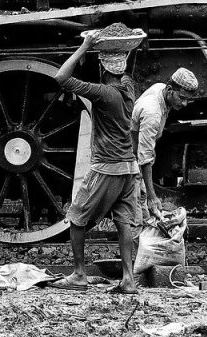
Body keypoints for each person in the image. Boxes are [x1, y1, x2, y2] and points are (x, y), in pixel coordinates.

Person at [51, 22, 145, 293]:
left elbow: (61, 78)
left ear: (102, 67)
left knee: (77, 218)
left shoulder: (104, 93)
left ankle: (79, 274)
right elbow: (126, 69)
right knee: (123, 221)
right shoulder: (129, 87)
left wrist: (85, 46)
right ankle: (128, 279)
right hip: (129, 167)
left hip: (107, 167)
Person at [132, 68, 198, 222]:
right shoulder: (152, 113)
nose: (184, 103)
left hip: (135, 158)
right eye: (181, 97)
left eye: (188, 99)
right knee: (135, 219)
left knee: (145, 218)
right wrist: (152, 196)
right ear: (170, 89)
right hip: (131, 161)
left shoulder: (160, 89)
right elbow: (144, 157)